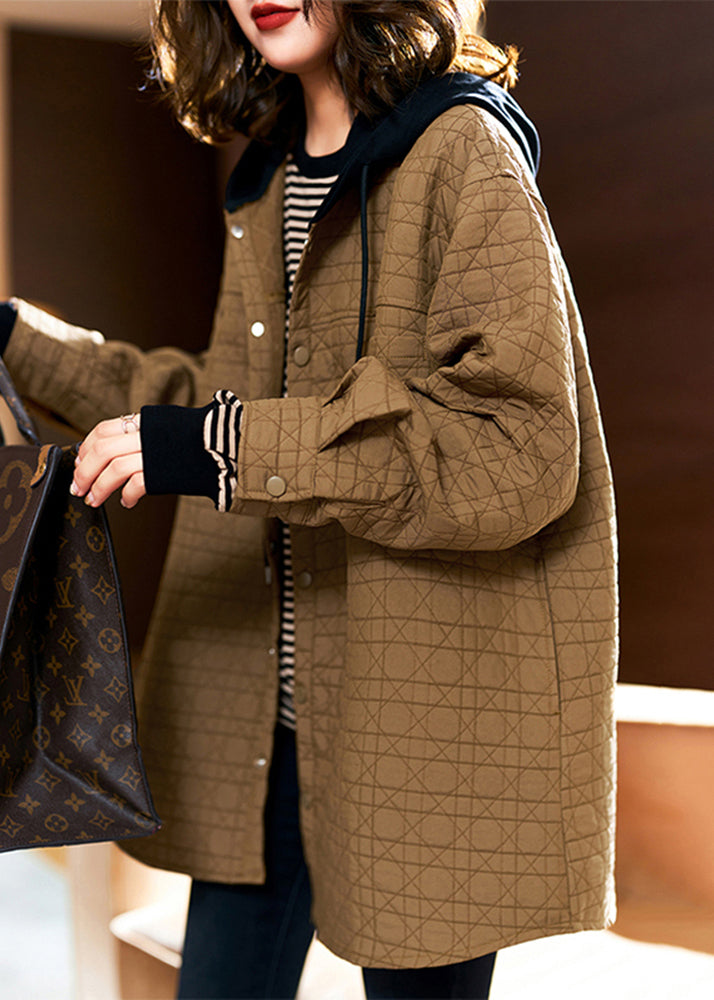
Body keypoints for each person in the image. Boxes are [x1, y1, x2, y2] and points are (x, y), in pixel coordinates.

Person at [0, 1, 618, 997]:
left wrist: (218, 445)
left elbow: (516, 448)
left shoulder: (462, 148)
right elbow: (221, 406)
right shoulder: (272, 175)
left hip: (415, 720)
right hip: (264, 730)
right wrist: (14, 338)